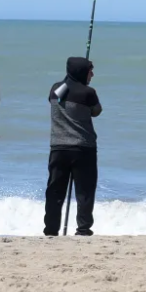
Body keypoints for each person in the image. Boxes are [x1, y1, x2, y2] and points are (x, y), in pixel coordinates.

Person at [42, 57, 103, 236]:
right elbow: (96, 111)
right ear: (81, 72)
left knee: (55, 190)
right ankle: (83, 228)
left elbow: (54, 98)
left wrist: (71, 82)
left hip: (58, 148)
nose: (92, 74)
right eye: (89, 70)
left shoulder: (57, 89)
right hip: (83, 148)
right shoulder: (88, 92)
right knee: (84, 190)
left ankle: (51, 229)